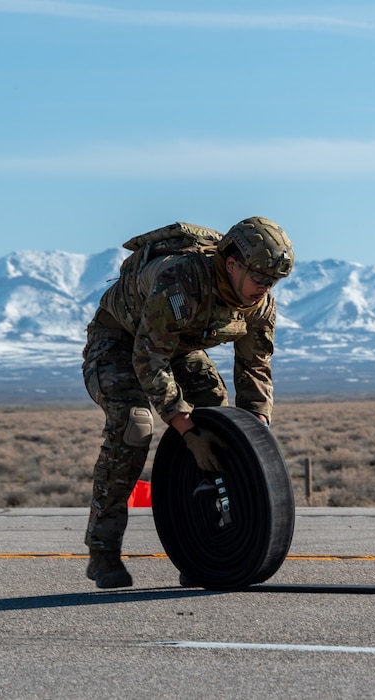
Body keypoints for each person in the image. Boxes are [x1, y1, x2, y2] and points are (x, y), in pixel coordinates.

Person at [81, 216, 294, 588]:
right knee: (134, 425)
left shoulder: (259, 304)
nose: (265, 287)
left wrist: (255, 432)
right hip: (118, 343)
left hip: (178, 348)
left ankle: (204, 549)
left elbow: (255, 368)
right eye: (259, 277)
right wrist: (185, 428)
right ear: (232, 264)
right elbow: (148, 360)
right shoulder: (181, 280)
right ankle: (103, 552)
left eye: (271, 281)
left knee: (219, 418)